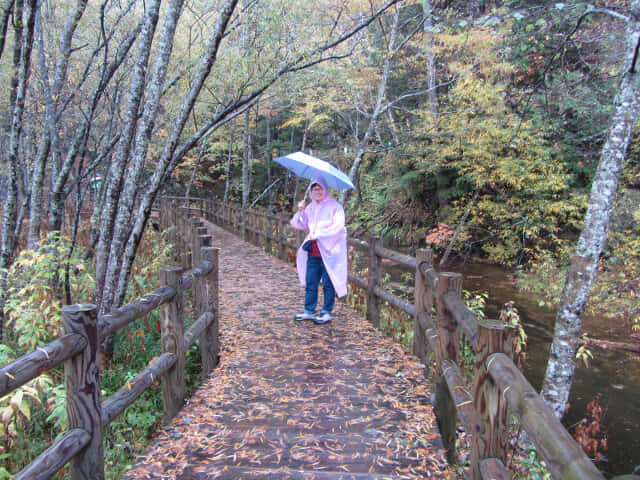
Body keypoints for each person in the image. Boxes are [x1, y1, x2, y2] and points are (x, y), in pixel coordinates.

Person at [290, 174, 348, 324]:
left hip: (329, 252)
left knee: (328, 283)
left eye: (320, 188)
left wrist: (319, 234)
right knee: (311, 281)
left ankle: (326, 311)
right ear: (311, 191)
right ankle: (309, 310)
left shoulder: (335, 207)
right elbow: (300, 225)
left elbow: (338, 227)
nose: (317, 192)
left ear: (325, 189)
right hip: (313, 252)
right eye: (314, 189)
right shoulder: (310, 207)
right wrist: (300, 211)